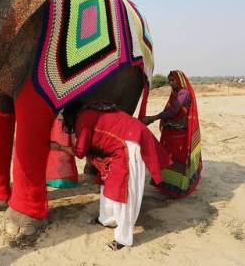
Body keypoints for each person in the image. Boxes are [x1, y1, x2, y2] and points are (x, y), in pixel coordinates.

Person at [51, 103, 172, 250]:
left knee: (124, 191)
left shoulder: (83, 119)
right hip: (123, 140)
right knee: (106, 182)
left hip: (130, 142)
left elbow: (80, 151)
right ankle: (107, 219)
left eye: (63, 119)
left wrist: (58, 147)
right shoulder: (86, 114)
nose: (63, 123)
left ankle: (123, 238)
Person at [142, 70, 202, 198]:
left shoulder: (183, 93)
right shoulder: (176, 93)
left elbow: (173, 111)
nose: (170, 83)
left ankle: (178, 189)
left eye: (173, 80)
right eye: (169, 80)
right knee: (167, 157)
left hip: (179, 134)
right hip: (171, 131)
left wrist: (153, 118)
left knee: (177, 159)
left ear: (179, 80)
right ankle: (167, 185)